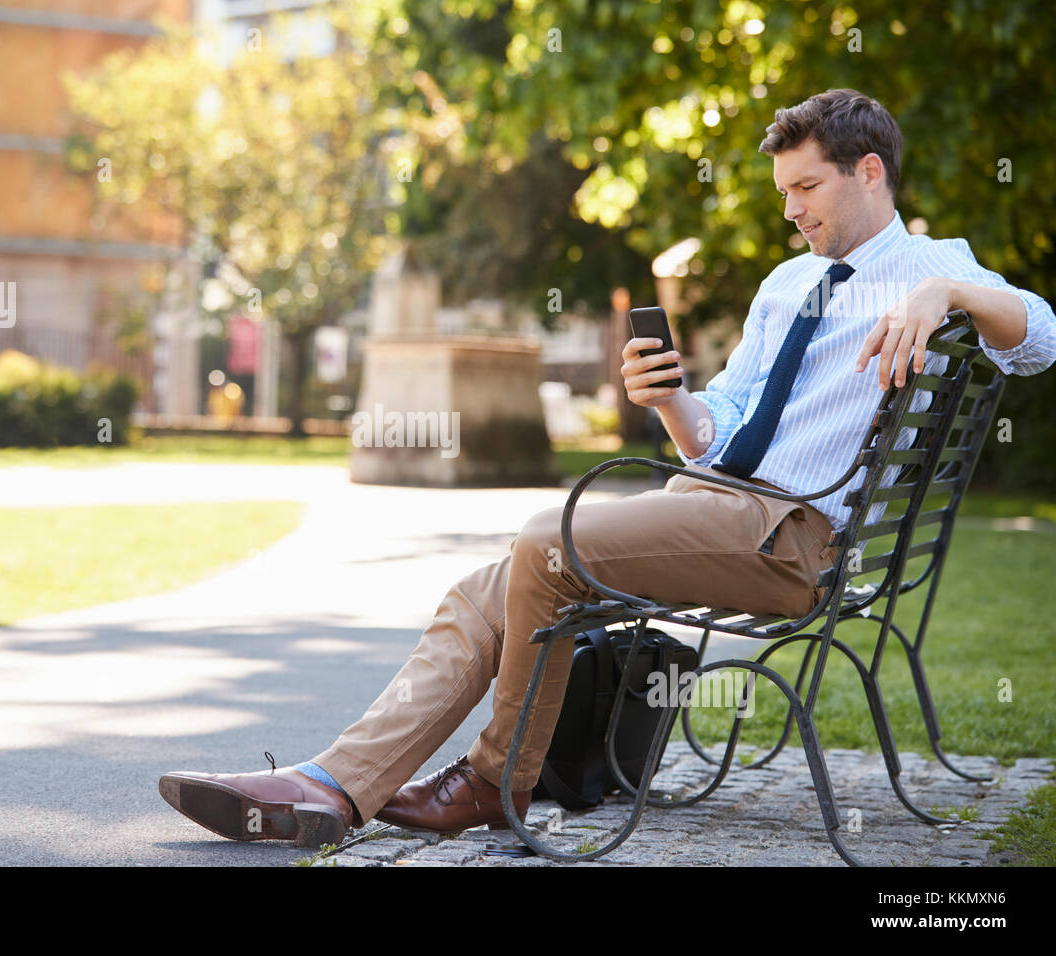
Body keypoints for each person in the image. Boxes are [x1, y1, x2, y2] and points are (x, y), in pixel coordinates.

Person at [157, 89, 1056, 847]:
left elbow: (1042, 338)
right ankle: (329, 785)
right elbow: (722, 431)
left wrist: (947, 292)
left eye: (808, 187)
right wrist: (667, 400)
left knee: (548, 539)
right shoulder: (786, 285)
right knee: (487, 586)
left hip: (791, 540)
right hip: (714, 506)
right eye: (784, 191)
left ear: (870, 173)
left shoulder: (935, 267)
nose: (792, 209)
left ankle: (492, 783)